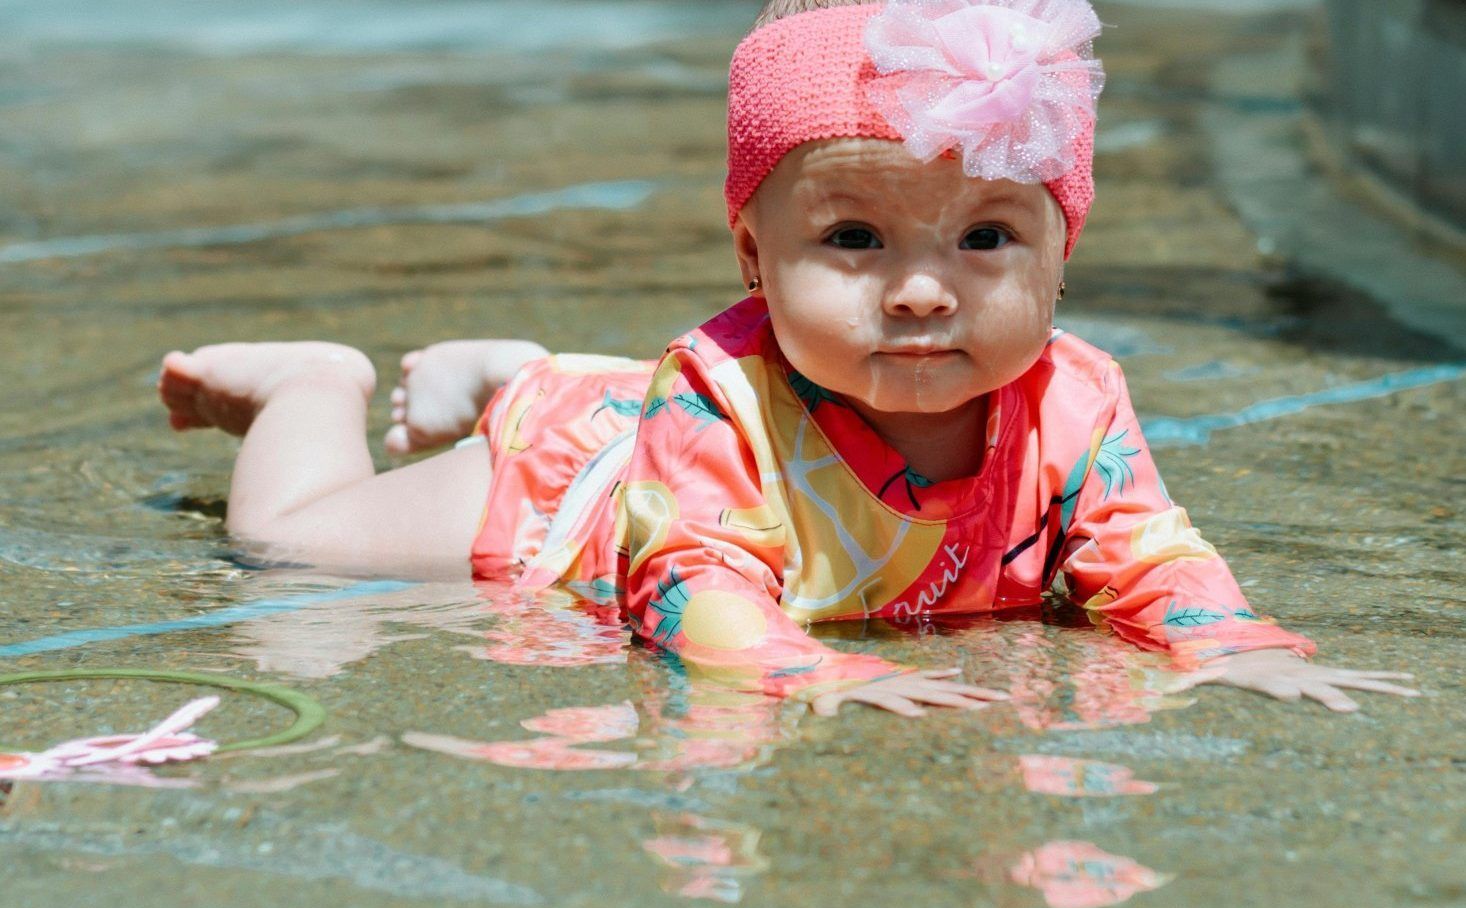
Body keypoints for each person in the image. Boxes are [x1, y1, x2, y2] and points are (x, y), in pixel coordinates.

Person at [158, 0, 1417, 716]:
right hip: (578, 498)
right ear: (754, 262)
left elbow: (1144, 549)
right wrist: (797, 668)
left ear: (1059, 258)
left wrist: (1230, 639)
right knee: (293, 543)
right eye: (853, 238)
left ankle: (518, 364)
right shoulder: (716, 391)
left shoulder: (1071, 400)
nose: (922, 289)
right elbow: (687, 573)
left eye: (986, 236)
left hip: (647, 414)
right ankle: (314, 383)